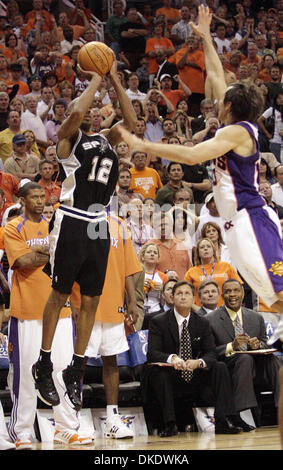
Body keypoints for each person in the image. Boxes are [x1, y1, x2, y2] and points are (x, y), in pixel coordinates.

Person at [32, 57, 136, 412]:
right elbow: (75, 115)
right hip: (72, 218)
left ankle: (76, 368)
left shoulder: (108, 139)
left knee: (91, 298)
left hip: (100, 222)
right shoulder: (69, 141)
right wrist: (94, 78)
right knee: (60, 291)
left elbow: (133, 122)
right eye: (88, 108)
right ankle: (44, 363)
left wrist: (116, 80)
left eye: (97, 109)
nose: (93, 113)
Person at [4, 182, 91, 449]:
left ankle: (66, 428)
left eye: (43, 196)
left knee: (64, 369)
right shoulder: (12, 227)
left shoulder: (56, 224)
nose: (41, 201)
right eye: (35, 197)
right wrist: (53, 253)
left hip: (61, 310)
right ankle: (21, 431)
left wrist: (44, 254)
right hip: (28, 311)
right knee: (27, 373)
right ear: (22, 200)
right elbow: (22, 261)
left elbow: (71, 256)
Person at [71, 213, 141, 439]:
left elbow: (127, 266)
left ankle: (112, 418)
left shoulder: (119, 224)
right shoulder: (79, 219)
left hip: (113, 303)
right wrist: (72, 301)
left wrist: (131, 300)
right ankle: (74, 417)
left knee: (111, 361)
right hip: (84, 302)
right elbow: (69, 264)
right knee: (78, 360)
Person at [143, 280, 242, 436]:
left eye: (187, 293)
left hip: (193, 373)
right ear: (172, 297)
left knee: (219, 367)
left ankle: (223, 421)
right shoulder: (158, 321)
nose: (183, 297)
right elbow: (152, 353)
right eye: (179, 294)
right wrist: (172, 359)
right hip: (171, 374)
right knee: (157, 372)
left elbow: (211, 353)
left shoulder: (202, 323)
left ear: (193, 298)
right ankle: (170, 424)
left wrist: (199, 362)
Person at [206, 279, 280, 427]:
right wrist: (231, 346)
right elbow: (208, 352)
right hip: (228, 367)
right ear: (222, 295)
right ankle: (241, 412)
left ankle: (281, 407)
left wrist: (258, 344)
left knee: (274, 360)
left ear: (242, 294)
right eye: (228, 291)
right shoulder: (210, 320)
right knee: (244, 359)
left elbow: (265, 342)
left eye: (236, 291)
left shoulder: (256, 317)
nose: (232, 294)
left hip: (255, 366)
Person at [185, 237, 242, 309]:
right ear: (198, 253)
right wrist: (198, 310)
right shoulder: (191, 272)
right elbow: (185, 294)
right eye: (202, 247)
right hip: (202, 314)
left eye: (208, 246)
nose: (205, 249)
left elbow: (239, 287)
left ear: (213, 250)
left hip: (226, 311)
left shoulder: (226, 266)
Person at [147, 211, 192, 280]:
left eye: (166, 224)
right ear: (153, 227)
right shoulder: (148, 248)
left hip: (182, 288)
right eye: (160, 225)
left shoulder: (181, 245)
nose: (163, 227)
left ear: (172, 225)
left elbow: (189, 269)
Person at [139, 242, 168, 329]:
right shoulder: (136, 273)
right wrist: (139, 286)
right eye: (149, 252)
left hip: (156, 312)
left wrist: (163, 289)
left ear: (158, 258)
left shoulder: (163, 276)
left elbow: (168, 299)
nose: (152, 254)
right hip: (138, 312)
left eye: (155, 253)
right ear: (142, 256)